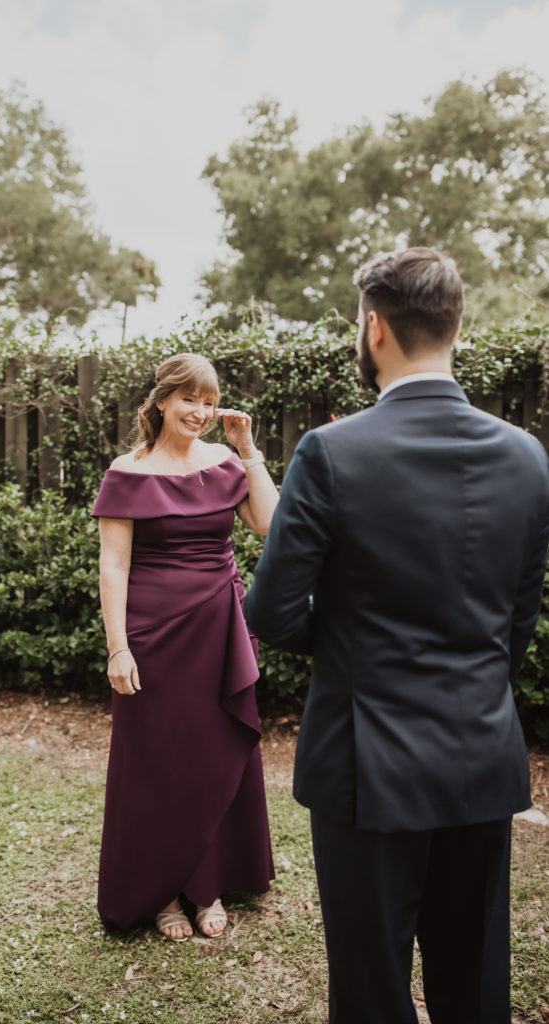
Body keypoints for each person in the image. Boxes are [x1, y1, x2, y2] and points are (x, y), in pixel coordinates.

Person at [244, 247, 549, 1024]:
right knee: (474, 982)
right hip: (479, 757)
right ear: (455, 326)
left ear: (372, 329)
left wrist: (351, 643)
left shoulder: (330, 452)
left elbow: (272, 614)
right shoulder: (526, 458)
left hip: (363, 764)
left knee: (371, 988)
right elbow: (516, 623)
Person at [91, 352, 278, 941]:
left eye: (209, 399)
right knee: (157, 759)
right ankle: (165, 891)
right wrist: (118, 648)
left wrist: (248, 451)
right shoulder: (128, 470)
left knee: (213, 752)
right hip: (152, 634)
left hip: (219, 629)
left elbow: (269, 526)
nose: (200, 411)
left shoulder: (225, 461)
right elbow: (114, 564)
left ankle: (209, 885)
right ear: (163, 400)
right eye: (189, 399)